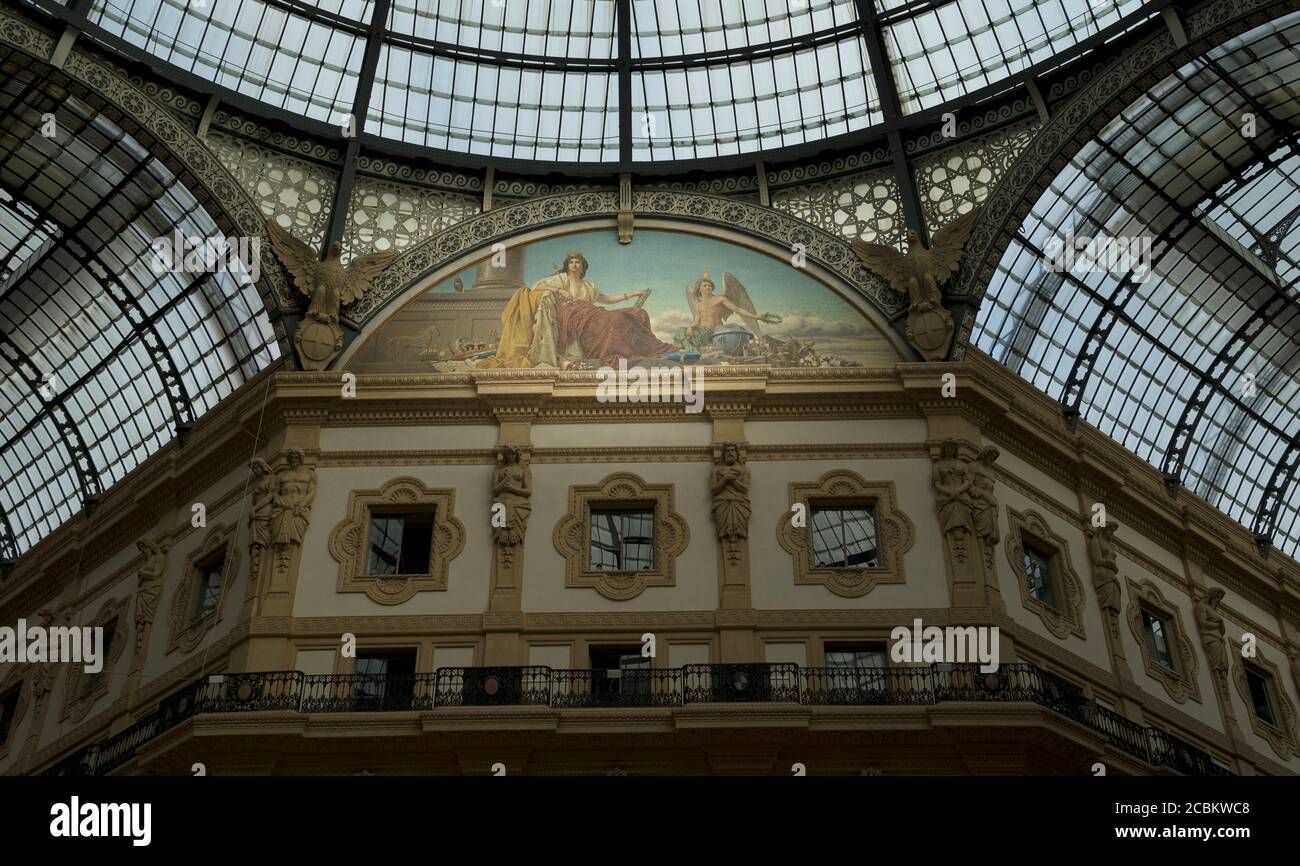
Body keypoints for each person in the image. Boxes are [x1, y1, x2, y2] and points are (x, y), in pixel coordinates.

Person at [482, 251, 674, 368]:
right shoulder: (560, 279)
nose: (574, 264)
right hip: (573, 317)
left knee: (634, 314)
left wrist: (632, 294)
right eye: (571, 262)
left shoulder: (590, 286)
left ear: (583, 266)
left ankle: (648, 349)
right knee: (614, 320)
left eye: (577, 262)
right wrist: (560, 291)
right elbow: (535, 288)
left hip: (592, 313)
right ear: (567, 266)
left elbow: (607, 299)